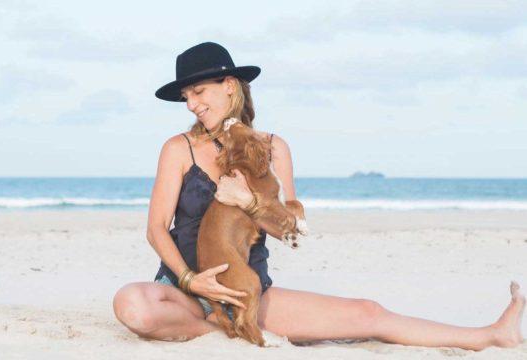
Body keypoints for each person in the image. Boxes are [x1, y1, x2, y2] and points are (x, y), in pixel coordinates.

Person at [113, 42, 525, 349]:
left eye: (199, 91)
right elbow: (155, 228)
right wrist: (190, 279)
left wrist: (249, 202)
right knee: (132, 304)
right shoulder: (178, 148)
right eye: (186, 97)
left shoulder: (274, 148)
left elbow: (290, 229)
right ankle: (227, 329)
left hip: (250, 292)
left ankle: (492, 334)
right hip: (184, 293)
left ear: (229, 85)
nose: (191, 105)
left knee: (367, 312)